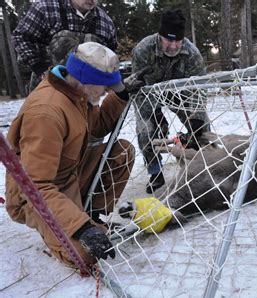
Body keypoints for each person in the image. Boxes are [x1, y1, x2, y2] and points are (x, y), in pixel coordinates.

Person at [5, 42, 135, 266]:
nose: (107, 91)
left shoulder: (77, 92)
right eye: (105, 86)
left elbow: (97, 126)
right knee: (85, 255)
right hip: (37, 196)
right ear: (87, 79)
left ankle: (92, 217)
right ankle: (73, 227)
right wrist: (81, 228)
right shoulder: (46, 113)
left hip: (69, 176)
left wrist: (121, 94)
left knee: (122, 151)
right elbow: (36, 187)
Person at [131, 9, 210, 194]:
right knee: (146, 130)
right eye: (169, 39)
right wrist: (155, 114)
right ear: (160, 35)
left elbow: (199, 88)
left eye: (178, 40)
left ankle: (202, 165)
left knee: (203, 127)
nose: (173, 45)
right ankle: (155, 173)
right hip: (149, 95)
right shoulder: (143, 49)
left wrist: (196, 119)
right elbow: (138, 88)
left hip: (180, 94)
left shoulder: (191, 53)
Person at [13, 0, 117, 93]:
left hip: (85, 94)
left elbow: (110, 53)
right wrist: (39, 67)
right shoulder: (46, 8)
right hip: (46, 88)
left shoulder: (105, 22)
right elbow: (21, 37)